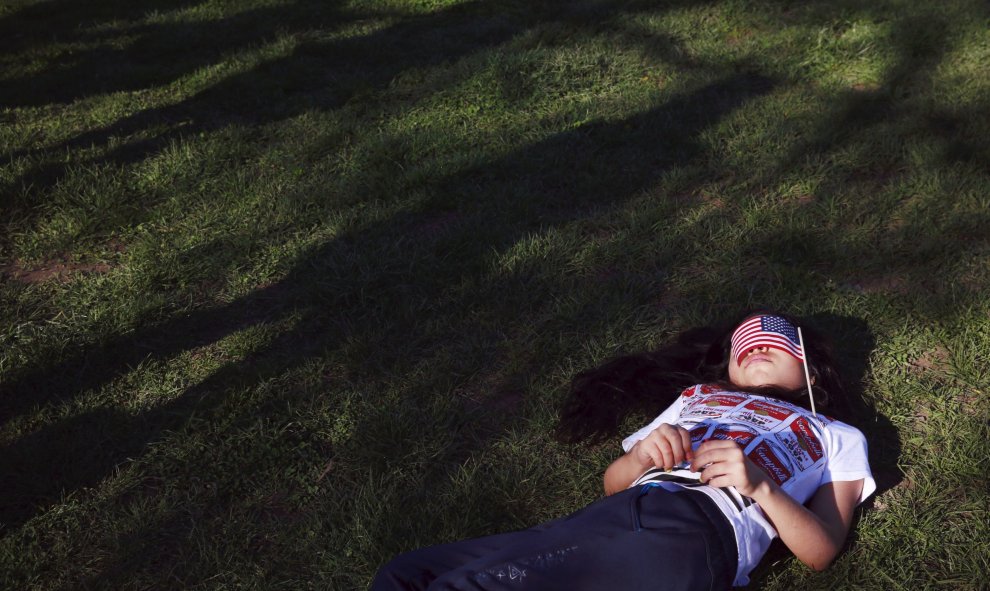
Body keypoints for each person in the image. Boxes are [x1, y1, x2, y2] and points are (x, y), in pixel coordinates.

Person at [372, 311, 876, 590]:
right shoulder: (698, 398)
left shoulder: (835, 435)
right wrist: (639, 459)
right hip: (610, 516)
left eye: (777, 344)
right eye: (745, 346)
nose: (757, 346)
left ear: (810, 374)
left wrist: (760, 485)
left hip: (694, 530)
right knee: (409, 573)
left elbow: (821, 550)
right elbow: (614, 482)